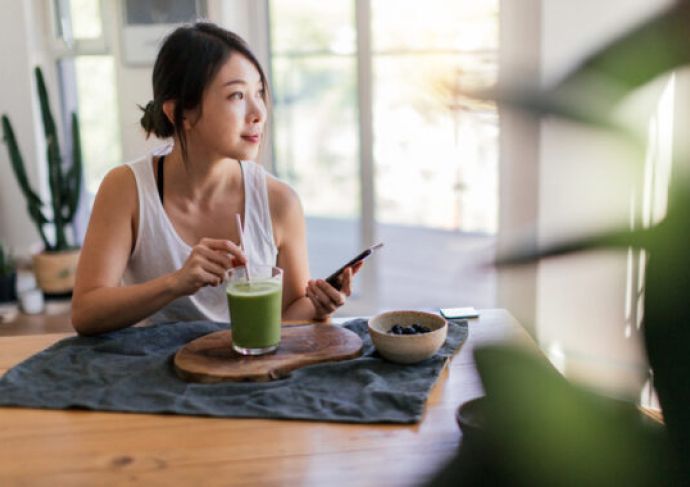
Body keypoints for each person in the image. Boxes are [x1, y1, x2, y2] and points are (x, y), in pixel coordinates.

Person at [71, 22, 361, 336]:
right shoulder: (127, 189)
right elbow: (86, 312)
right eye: (237, 95)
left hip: (251, 371)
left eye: (259, 93)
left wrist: (318, 307)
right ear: (181, 113)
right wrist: (175, 283)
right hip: (158, 373)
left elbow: (288, 316)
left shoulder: (280, 202)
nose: (258, 112)